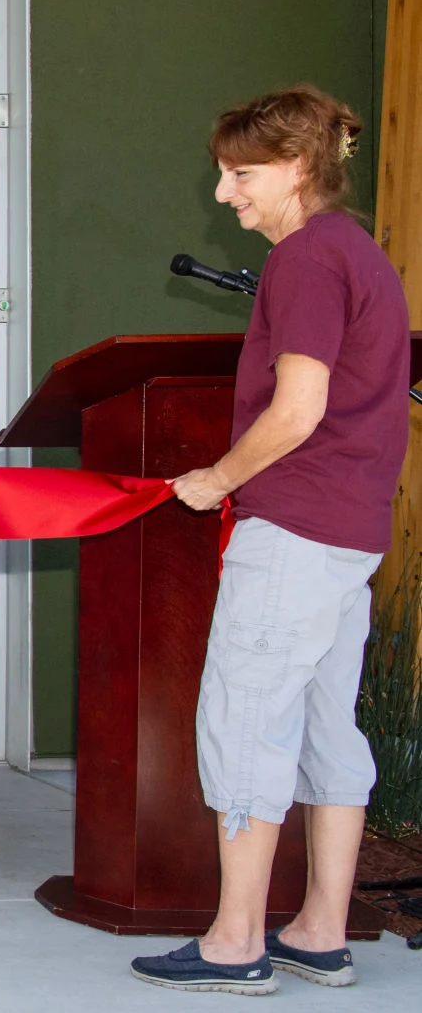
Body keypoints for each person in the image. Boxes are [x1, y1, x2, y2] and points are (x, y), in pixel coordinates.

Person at [130, 86, 407, 995]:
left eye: (240, 173)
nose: (223, 195)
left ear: (296, 168)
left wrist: (217, 477)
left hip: (291, 528)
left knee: (245, 721)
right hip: (349, 533)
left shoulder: (304, 258)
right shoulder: (357, 251)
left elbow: (297, 410)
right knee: (327, 725)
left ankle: (234, 940)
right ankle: (320, 929)